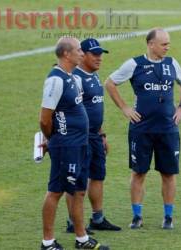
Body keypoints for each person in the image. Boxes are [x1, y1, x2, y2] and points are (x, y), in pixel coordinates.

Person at [105, 28, 181, 230]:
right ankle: (137, 216)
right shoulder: (135, 64)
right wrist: (125, 108)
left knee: (168, 174)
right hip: (141, 130)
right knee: (138, 172)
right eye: (164, 44)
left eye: (168, 43)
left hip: (168, 129)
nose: (167, 47)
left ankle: (168, 216)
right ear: (151, 44)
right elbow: (110, 83)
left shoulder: (172, 64)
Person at [39, 37, 109, 250]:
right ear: (67, 54)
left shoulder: (73, 78)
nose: (82, 53)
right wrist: (53, 139)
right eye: (79, 50)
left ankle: (82, 239)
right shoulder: (55, 80)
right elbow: (44, 118)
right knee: (56, 191)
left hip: (81, 144)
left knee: (78, 191)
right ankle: (48, 242)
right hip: (66, 145)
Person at [65, 38, 121, 233]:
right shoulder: (75, 78)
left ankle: (97, 218)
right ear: (82, 55)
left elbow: (95, 108)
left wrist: (102, 133)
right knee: (77, 181)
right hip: (79, 137)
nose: (99, 58)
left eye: (100, 54)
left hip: (95, 136)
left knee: (98, 175)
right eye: (94, 54)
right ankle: (73, 222)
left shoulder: (94, 75)